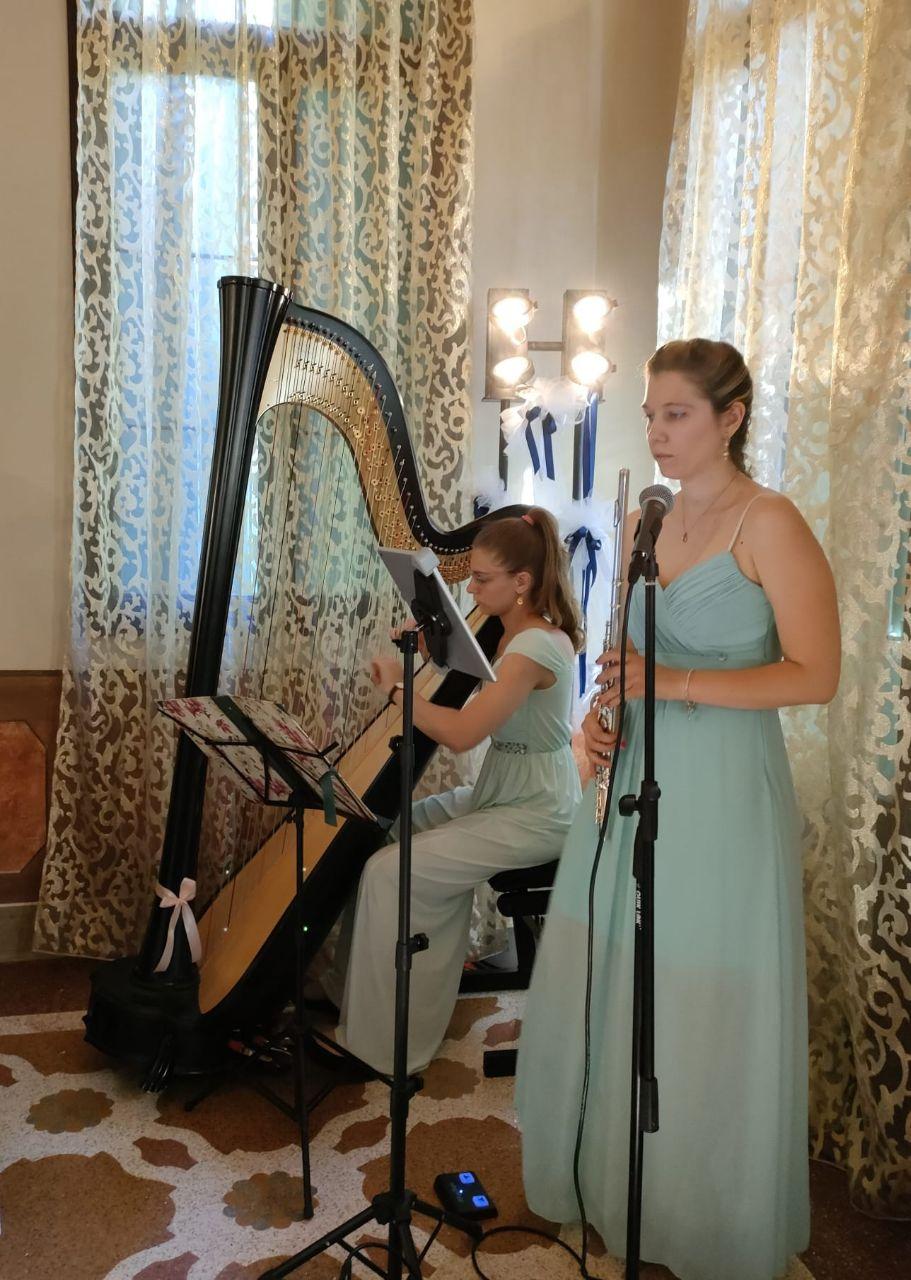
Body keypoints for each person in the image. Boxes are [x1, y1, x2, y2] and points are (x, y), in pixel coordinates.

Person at [516, 339, 841, 1280]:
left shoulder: (769, 522)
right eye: (650, 414)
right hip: (631, 778)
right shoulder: (642, 523)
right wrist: (597, 719)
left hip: (724, 786)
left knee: (696, 987)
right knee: (618, 971)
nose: (656, 432)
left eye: (676, 414)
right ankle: (618, 1187)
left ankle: (703, 1210)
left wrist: (675, 683)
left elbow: (816, 675)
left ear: (729, 418)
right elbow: (620, 653)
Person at [317, 506, 583, 1075]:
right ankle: (353, 994)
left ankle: (387, 1044)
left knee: (391, 872)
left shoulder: (535, 647)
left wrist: (398, 692)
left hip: (538, 809)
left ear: (522, 582)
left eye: (482, 579)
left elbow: (462, 734)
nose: (471, 589)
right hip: (503, 790)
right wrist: (422, 644)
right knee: (383, 830)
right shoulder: (508, 630)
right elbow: (458, 661)